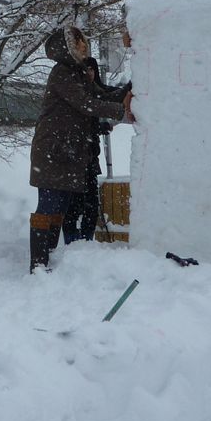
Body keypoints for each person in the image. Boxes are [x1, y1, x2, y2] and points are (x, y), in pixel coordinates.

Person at [28, 26, 132, 273]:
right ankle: (39, 264)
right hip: (53, 152)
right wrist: (122, 111)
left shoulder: (77, 72)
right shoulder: (62, 73)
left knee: (60, 208)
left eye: (84, 42)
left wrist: (128, 90)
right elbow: (87, 104)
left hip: (68, 152)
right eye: (79, 43)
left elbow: (102, 93)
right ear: (68, 48)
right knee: (50, 207)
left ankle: (49, 259)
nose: (85, 46)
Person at [61, 56, 129, 244]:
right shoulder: (76, 93)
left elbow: (109, 95)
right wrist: (99, 128)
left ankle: (86, 241)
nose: (90, 73)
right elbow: (81, 119)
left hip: (90, 156)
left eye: (92, 69)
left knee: (91, 205)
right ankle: (72, 243)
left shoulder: (95, 90)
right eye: (86, 69)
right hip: (74, 157)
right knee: (74, 205)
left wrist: (129, 88)